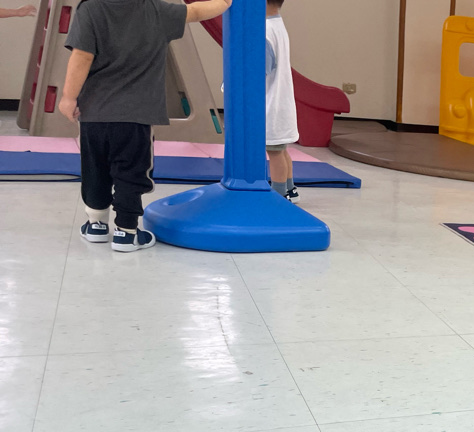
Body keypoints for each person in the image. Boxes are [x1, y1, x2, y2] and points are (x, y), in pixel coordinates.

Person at [60, 0, 232, 252]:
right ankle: (126, 231)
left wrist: (69, 97)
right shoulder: (156, 10)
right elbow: (196, 11)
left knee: (95, 167)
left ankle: (96, 223)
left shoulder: (90, 8)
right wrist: (226, 2)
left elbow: (82, 55)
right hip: (136, 115)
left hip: (95, 113)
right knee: (131, 171)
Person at [265, 0, 299, 202]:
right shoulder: (277, 23)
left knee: (275, 153)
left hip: (272, 104)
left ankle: (278, 197)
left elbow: (261, 69)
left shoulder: (265, 30)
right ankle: (290, 189)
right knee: (281, 150)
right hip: (281, 101)